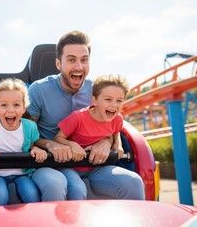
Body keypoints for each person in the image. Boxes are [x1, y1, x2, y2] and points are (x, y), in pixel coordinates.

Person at [27, 30, 145, 200]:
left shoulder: (97, 89)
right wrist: (52, 145)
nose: (78, 67)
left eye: (84, 60)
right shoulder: (38, 90)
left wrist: (107, 141)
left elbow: (113, 125)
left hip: (93, 163)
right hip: (54, 163)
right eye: (71, 60)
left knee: (133, 182)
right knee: (68, 187)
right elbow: (26, 135)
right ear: (58, 64)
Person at [54, 74, 144, 199]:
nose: (114, 105)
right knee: (77, 190)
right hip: (71, 167)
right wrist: (72, 145)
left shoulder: (117, 119)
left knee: (134, 181)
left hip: (97, 168)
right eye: (108, 99)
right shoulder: (78, 118)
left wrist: (118, 144)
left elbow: (115, 132)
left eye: (119, 100)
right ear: (95, 100)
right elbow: (58, 138)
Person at [0, 78, 47, 206]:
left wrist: (35, 149)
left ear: (24, 108)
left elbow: (31, 146)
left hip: (21, 173)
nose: (10, 110)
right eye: (4, 105)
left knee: (32, 194)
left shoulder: (30, 127)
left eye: (16, 105)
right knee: (0, 195)